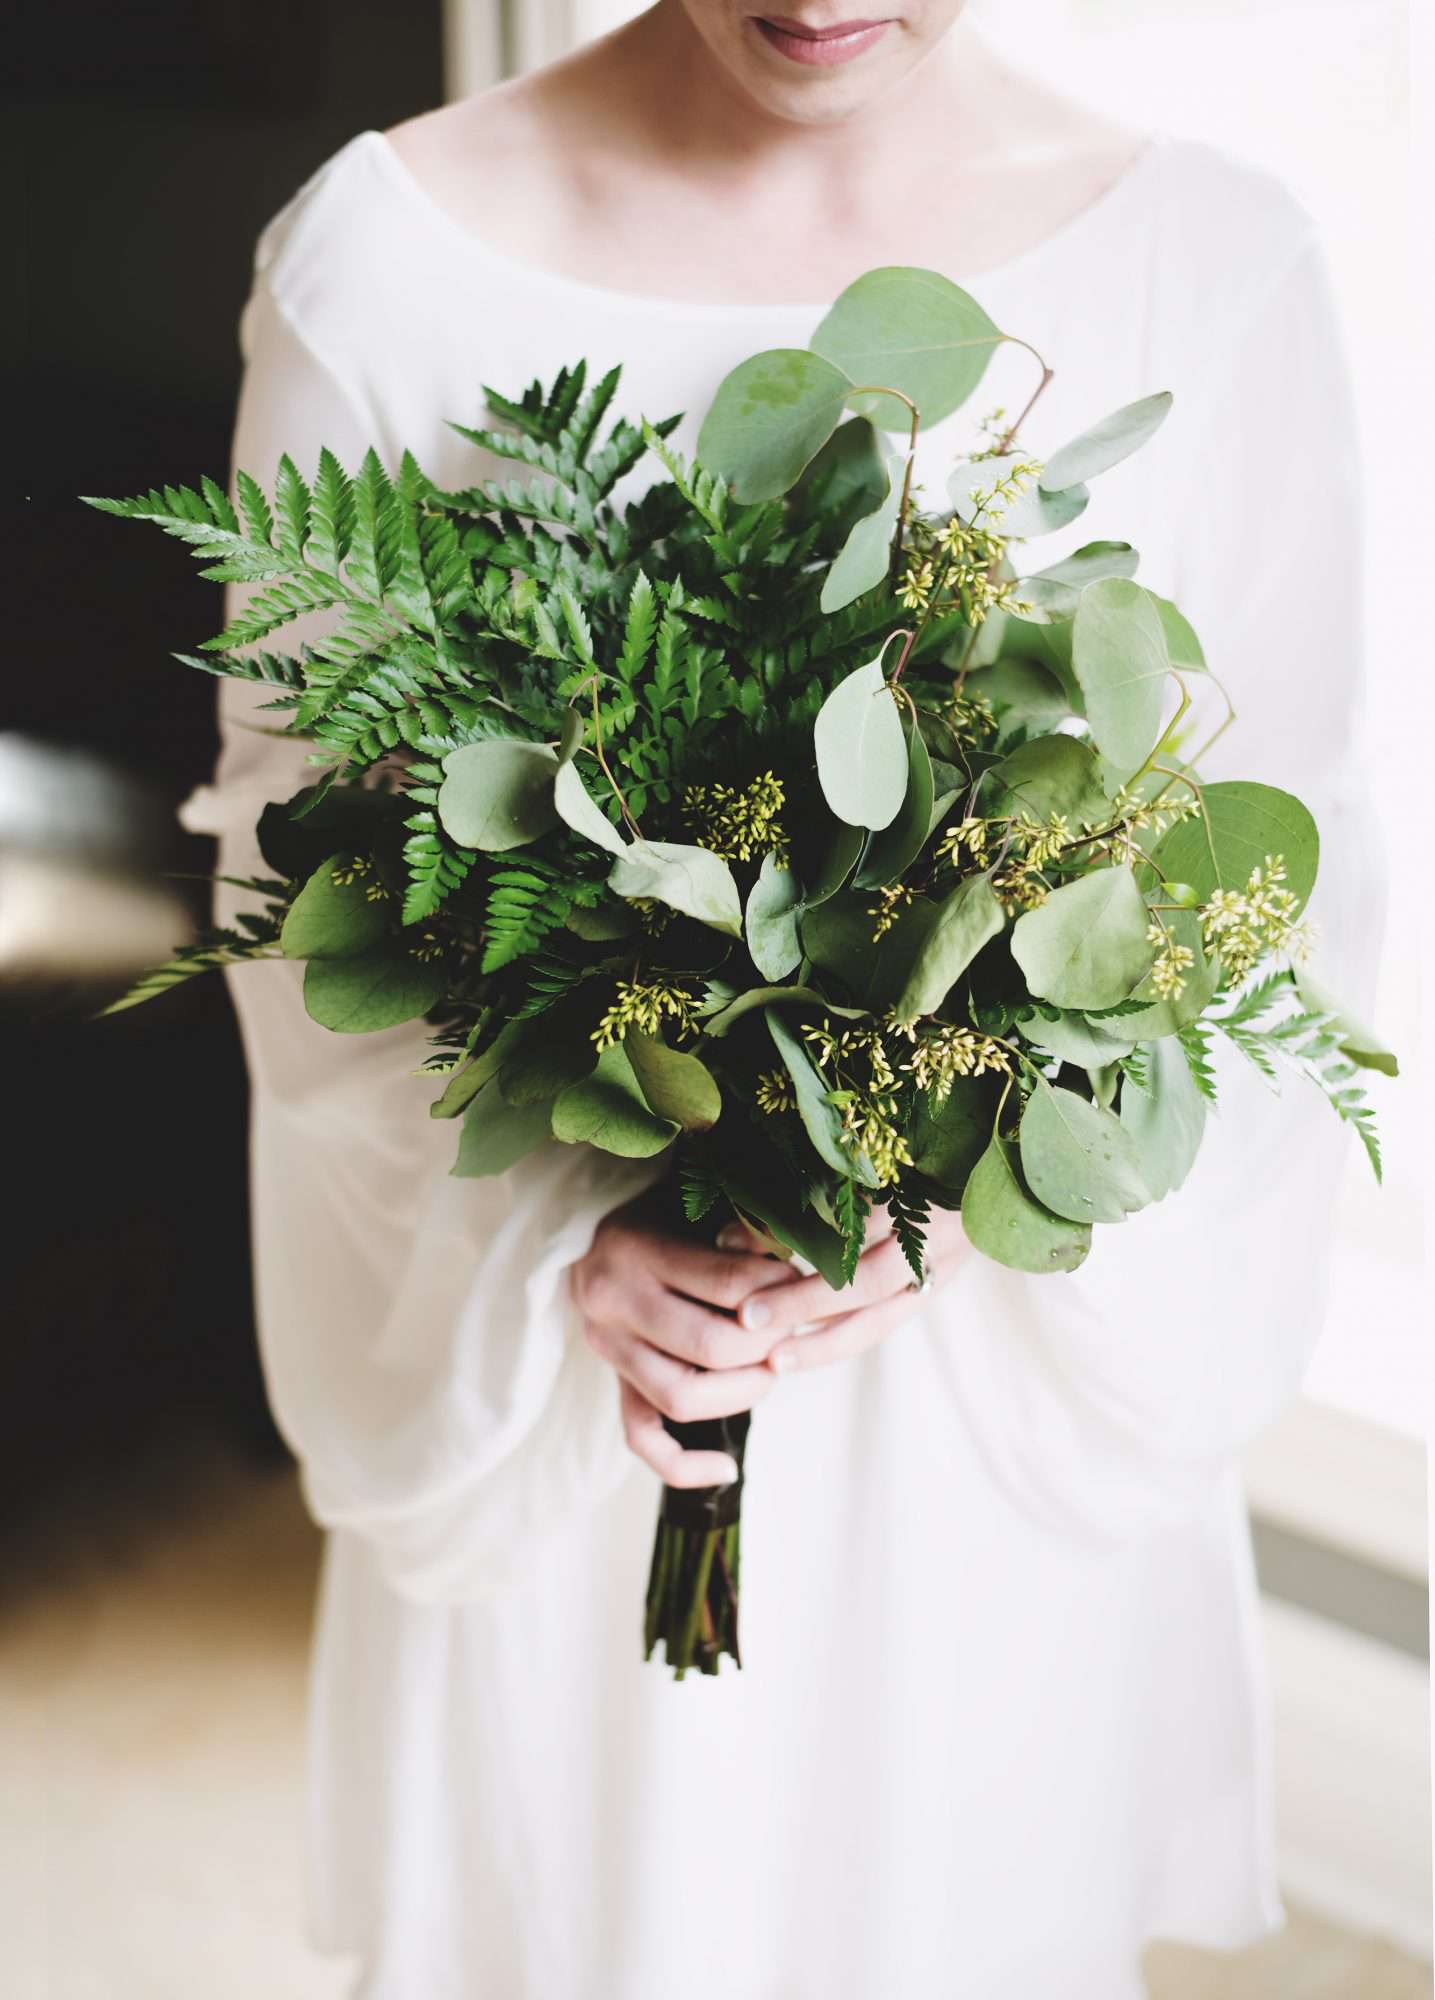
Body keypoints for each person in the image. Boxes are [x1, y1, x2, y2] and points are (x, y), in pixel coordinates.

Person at [180, 5, 1377, 1995]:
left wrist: (991, 1176)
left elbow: (1277, 885)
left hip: (980, 1418)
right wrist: (537, 1252)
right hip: (596, 1424)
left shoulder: (1212, 267)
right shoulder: (385, 258)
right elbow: (294, 870)